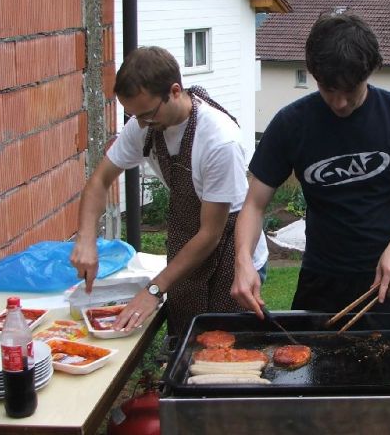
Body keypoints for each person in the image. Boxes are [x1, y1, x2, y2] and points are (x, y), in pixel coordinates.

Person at [231, 13, 390, 330]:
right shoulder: (291, 124)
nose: (339, 103)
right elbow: (254, 204)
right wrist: (243, 260)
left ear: (370, 71)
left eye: (350, 89)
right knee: (307, 359)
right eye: (328, 89)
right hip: (321, 278)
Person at [71, 46, 268, 338]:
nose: (141, 124)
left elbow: (210, 234)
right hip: (189, 239)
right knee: (184, 339)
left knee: (222, 347)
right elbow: (100, 180)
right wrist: (86, 239)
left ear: (175, 91)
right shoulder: (144, 122)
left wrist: (154, 289)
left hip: (231, 245)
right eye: (133, 115)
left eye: (147, 115)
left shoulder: (219, 141)